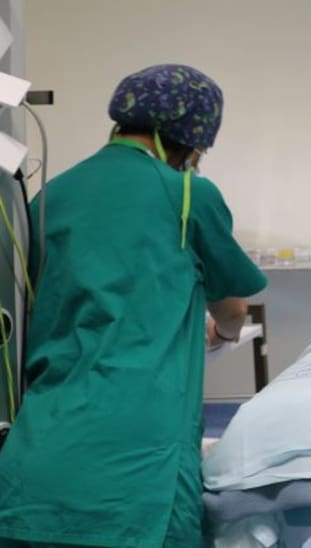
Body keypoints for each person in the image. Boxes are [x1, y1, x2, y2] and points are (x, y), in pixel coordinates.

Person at [0, 64, 267, 548]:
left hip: (37, 463)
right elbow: (233, 309)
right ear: (191, 142)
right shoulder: (188, 194)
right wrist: (220, 336)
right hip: (139, 472)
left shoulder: (49, 197)